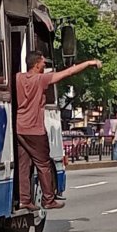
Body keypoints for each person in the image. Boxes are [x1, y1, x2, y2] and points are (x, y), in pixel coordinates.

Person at [17, 51, 101, 211]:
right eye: (43, 62)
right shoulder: (41, 79)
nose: (44, 65)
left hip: (20, 128)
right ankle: (48, 199)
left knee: (23, 164)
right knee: (43, 164)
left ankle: (24, 199)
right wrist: (89, 63)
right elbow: (69, 72)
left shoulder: (18, 78)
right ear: (36, 64)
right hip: (35, 129)